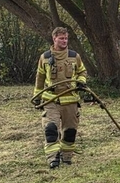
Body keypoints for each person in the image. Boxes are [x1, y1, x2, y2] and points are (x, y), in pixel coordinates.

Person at [33, 26, 88, 169]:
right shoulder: (44, 57)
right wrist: (36, 96)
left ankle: (67, 157)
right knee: (50, 129)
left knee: (70, 131)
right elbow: (40, 78)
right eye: (61, 38)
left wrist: (81, 81)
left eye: (66, 38)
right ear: (54, 38)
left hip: (70, 100)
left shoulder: (74, 56)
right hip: (51, 100)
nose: (64, 41)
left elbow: (82, 72)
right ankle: (53, 158)